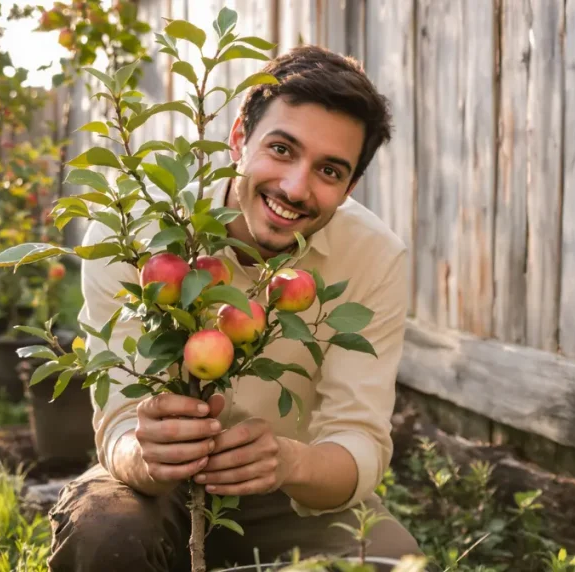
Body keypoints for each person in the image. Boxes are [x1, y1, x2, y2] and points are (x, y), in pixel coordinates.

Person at [48, 44, 421, 571]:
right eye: (283, 149)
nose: (296, 188)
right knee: (108, 531)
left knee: (390, 562)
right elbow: (118, 425)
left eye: (330, 171)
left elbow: (358, 438)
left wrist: (290, 460)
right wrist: (147, 455)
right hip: (159, 489)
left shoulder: (373, 256)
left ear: (350, 187)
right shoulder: (136, 232)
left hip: (288, 489)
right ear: (240, 137)